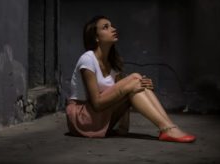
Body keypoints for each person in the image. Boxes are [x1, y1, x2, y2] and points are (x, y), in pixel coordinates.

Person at [65, 15, 196, 143]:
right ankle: (168, 128)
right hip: (82, 119)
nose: (113, 29)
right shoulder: (88, 59)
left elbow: (120, 96)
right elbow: (97, 104)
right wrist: (129, 87)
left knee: (137, 79)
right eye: (106, 27)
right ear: (96, 37)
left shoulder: (113, 63)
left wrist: (141, 86)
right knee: (134, 79)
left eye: (112, 26)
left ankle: (169, 127)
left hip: (100, 118)